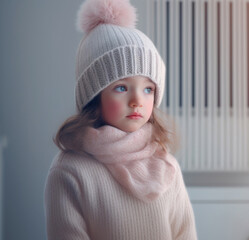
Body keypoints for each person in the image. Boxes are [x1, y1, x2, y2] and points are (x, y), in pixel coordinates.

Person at [44, 0, 197, 239]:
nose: (137, 100)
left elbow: (185, 234)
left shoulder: (165, 165)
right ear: (95, 96)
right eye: (122, 87)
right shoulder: (69, 171)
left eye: (148, 89)